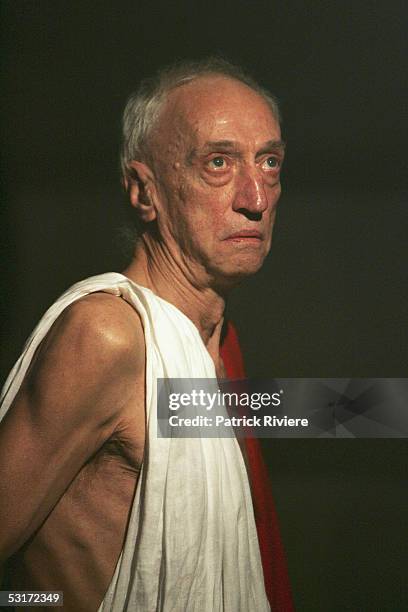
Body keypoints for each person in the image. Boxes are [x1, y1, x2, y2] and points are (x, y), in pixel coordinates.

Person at [0, 58, 292, 611]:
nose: (255, 198)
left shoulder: (219, 345)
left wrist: (379, 408)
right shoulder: (108, 335)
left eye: (270, 162)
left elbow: (317, 412)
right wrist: (38, 606)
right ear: (144, 192)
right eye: (218, 163)